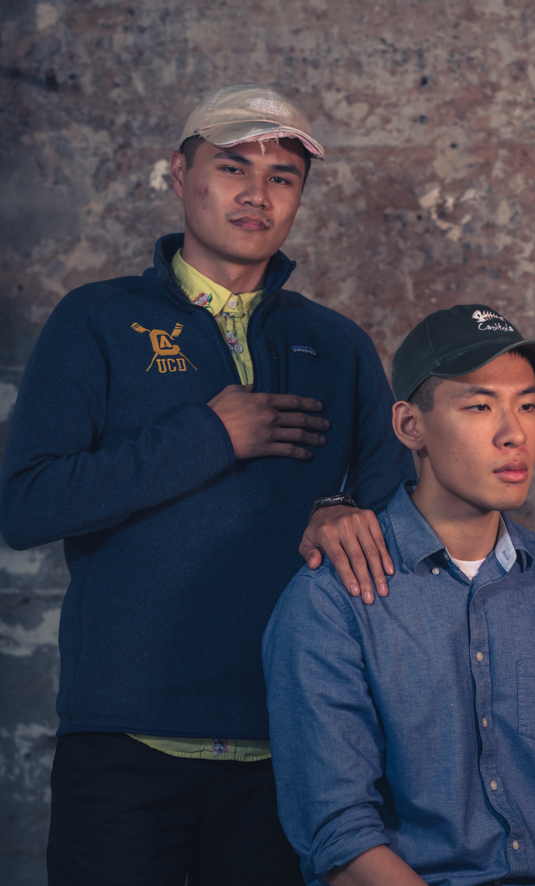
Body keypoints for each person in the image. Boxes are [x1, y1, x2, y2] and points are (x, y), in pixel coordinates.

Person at [0, 83, 414, 885]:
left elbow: (401, 520)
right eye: (232, 167)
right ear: (180, 173)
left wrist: (342, 507)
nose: (257, 194)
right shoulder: (97, 320)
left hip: (293, 745)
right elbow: (27, 504)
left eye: (282, 177)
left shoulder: (336, 344)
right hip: (125, 745)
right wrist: (209, 436)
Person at [264, 303, 535, 886]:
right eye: (480, 406)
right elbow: (339, 835)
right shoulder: (332, 599)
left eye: (527, 405)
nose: (514, 433)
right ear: (411, 426)